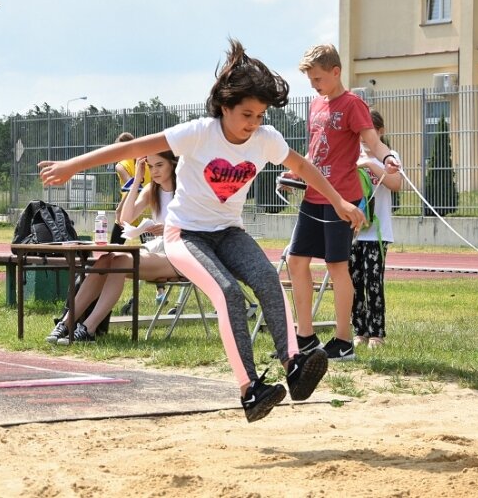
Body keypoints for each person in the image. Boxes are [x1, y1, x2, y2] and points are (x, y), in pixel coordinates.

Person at [38, 39, 366, 422]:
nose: (253, 124)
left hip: (228, 231)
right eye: (246, 114)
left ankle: (293, 364)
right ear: (224, 107)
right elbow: (131, 149)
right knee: (226, 293)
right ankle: (250, 390)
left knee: (267, 279)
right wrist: (72, 166)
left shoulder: (265, 140)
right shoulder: (197, 133)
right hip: (186, 235)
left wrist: (341, 201)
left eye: (260, 115)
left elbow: (306, 168)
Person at [283, 44, 400, 361]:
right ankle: (305, 336)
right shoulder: (315, 104)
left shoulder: (353, 105)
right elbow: (315, 150)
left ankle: (343, 341)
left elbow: (371, 141)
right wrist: (295, 172)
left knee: (336, 266)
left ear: (336, 72)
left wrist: (388, 157)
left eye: (318, 78)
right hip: (312, 194)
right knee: (296, 261)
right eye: (310, 79)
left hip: (343, 198)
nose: (314, 84)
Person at [44, 150, 180, 345]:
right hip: (158, 248)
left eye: (159, 165)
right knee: (106, 259)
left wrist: (169, 228)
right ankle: (66, 323)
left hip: (180, 253)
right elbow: (124, 219)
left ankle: (88, 328)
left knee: (122, 260)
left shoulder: (185, 189)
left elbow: (201, 227)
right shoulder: (152, 190)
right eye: (150, 166)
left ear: (172, 165)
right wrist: (137, 181)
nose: (154, 171)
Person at [349, 109, 402, 349]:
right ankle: (359, 330)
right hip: (353, 231)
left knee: (373, 281)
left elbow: (395, 184)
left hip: (377, 234)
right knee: (353, 280)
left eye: (369, 131)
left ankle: (377, 333)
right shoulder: (350, 156)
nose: (363, 137)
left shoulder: (389, 158)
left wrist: (371, 163)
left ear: (380, 132)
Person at [111, 132, 152, 245]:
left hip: (130, 208)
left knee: (114, 248)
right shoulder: (145, 162)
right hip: (147, 209)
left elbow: (133, 188)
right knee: (151, 248)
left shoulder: (121, 165)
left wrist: (119, 208)